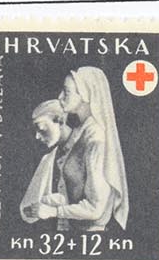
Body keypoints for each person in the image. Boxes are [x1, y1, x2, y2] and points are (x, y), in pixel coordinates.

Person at [38, 66, 131, 233]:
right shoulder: (80, 132)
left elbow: (95, 208)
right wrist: (50, 201)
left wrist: (54, 212)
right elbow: (75, 189)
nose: (60, 97)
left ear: (86, 95)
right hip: (74, 231)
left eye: (66, 92)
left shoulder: (96, 139)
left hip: (91, 235)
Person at [18, 97, 70, 225]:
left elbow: (95, 205)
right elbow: (27, 210)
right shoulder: (49, 158)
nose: (37, 136)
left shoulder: (87, 148)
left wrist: (50, 203)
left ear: (60, 121)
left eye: (41, 128)